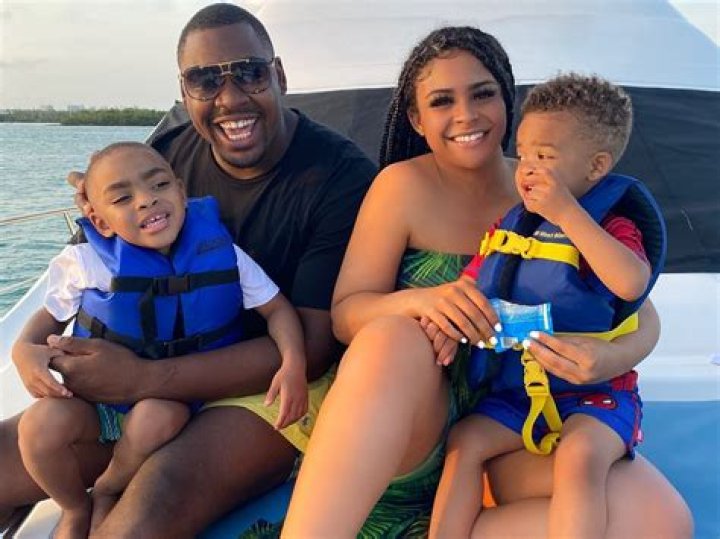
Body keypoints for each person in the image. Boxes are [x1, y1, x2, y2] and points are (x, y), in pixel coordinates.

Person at [282, 26, 692, 537]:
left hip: (514, 426)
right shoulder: (401, 187)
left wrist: (611, 358)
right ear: (416, 118)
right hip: (414, 428)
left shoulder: (553, 184)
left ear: (506, 100)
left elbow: (640, 310)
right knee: (390, 337)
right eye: (441, 101)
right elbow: (346, 315)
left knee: (662, 520)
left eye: (482, 94)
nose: (466, 115)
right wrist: (424, 302)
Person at [0, 4, 375, 536]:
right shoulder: (166, 157)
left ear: (279, 75)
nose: (230, 98)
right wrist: (34, 352)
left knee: (152, 506)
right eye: (205, 80)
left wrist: (142, 379)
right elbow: (94, 268)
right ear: (185, 90)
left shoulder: (340, 179)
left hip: (269, 386)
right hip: (146, 380)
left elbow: (312, 350)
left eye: (250, 72)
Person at [13, 141, 308, 538]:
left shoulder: (225, 254)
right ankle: (74, 507)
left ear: (181, 193)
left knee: (158, 417)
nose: (146, 200)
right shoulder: (85, 262)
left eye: (159, 185)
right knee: (38, 428)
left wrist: (293, 363)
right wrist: (24, 352)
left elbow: (278, 310)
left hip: (169, 402)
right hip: (95, 403)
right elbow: (46, 321)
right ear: (100, 222)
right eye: (123, 197)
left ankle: (108, 488)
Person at [428, 73, 665, 538]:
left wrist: (567, 214)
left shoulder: (612, 227)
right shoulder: (513, 224)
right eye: (523, 154)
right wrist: (448, 323)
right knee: (465, 442)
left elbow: (630, 281)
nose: (528, 169)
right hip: (517, 393)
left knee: (579, 457)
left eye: (545, 157)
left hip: (597, 396)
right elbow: (471, 283)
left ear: (596, 167)